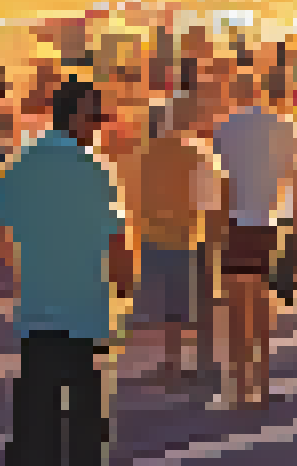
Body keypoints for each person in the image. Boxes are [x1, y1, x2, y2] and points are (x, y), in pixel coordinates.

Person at [0, 79, 135, 466]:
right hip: (84, 313)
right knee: (85, 429)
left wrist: (29, 268)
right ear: (73, 117)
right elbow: (117, 241)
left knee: (35, 427)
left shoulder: (22, 165)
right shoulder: (95, 170)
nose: (99, 126)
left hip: (36, 312)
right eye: (94, 117)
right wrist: (124, 293)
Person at [213, 70, 297, 409]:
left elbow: (218, 180)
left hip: (233, 222)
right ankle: (262, 382)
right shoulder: (284, 127)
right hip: (269, 221)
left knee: (236, 307)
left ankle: (239, 385)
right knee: (263, 302)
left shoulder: (224, 128)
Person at [129, 96, 223, 386]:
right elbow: (210, 200)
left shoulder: (144, 154)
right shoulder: (197, 152)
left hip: (153, 237)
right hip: (189, 237)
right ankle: (204, 364)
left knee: (168, 308)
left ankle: (172, 363)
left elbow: (131, 197)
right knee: (199, 303)